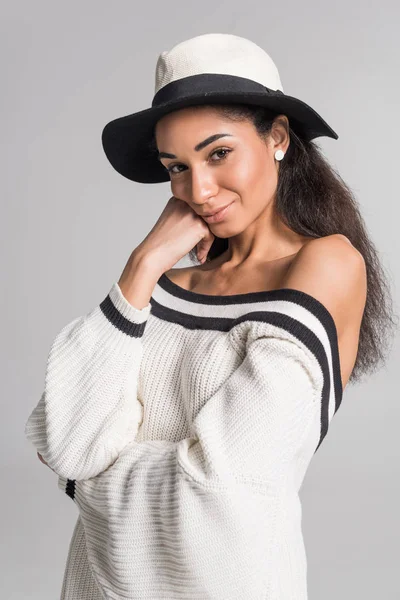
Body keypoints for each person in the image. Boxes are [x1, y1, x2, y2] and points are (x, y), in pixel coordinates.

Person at [26, 33, 396, 599]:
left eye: (218, 153)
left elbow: (223, 484)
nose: (197, 190)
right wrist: (145, 262)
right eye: (176, 167)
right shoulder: (163, 287)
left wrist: (87, 484)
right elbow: (67, 440)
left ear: (277, 137)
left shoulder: (327, 265)